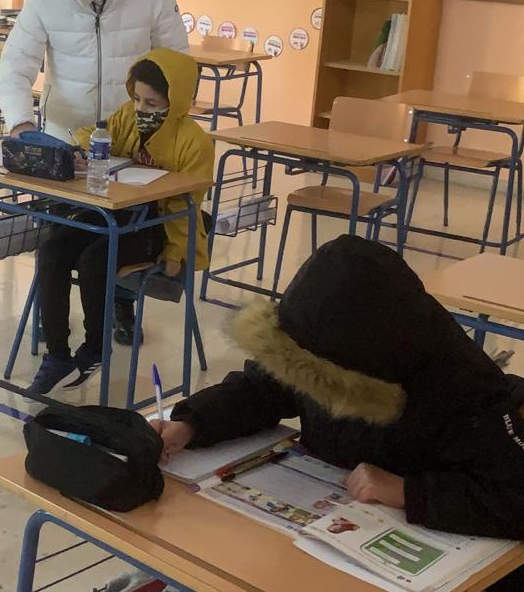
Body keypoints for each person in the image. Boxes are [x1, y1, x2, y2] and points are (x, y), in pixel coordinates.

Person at [154, 236, 524, 573]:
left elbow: (513, 497)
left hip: (407, 551)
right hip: (322, 528)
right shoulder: (313, 339)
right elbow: (261, 388)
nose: (312, 384)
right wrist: (190, 423)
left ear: (362, 367)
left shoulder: (464, 387)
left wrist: (408, 491)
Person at [27, 49, 212, 395]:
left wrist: (175, 252)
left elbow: (187, 205)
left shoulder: (195, 143)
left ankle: (96, 347)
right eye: (138, 98)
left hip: (156, 226)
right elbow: (96, 135)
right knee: (52, 249)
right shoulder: (128, 116)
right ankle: (57, 354)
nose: (142, 109)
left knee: (96, 260)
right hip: (113, 213)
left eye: (153, 103)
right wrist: (82, 149)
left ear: (177, 101)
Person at [0, 0, 187, 143]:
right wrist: (21, 125)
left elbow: (176, 62)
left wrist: (164, 124)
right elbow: (15, 65)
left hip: (134, 135)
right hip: (65, 134)